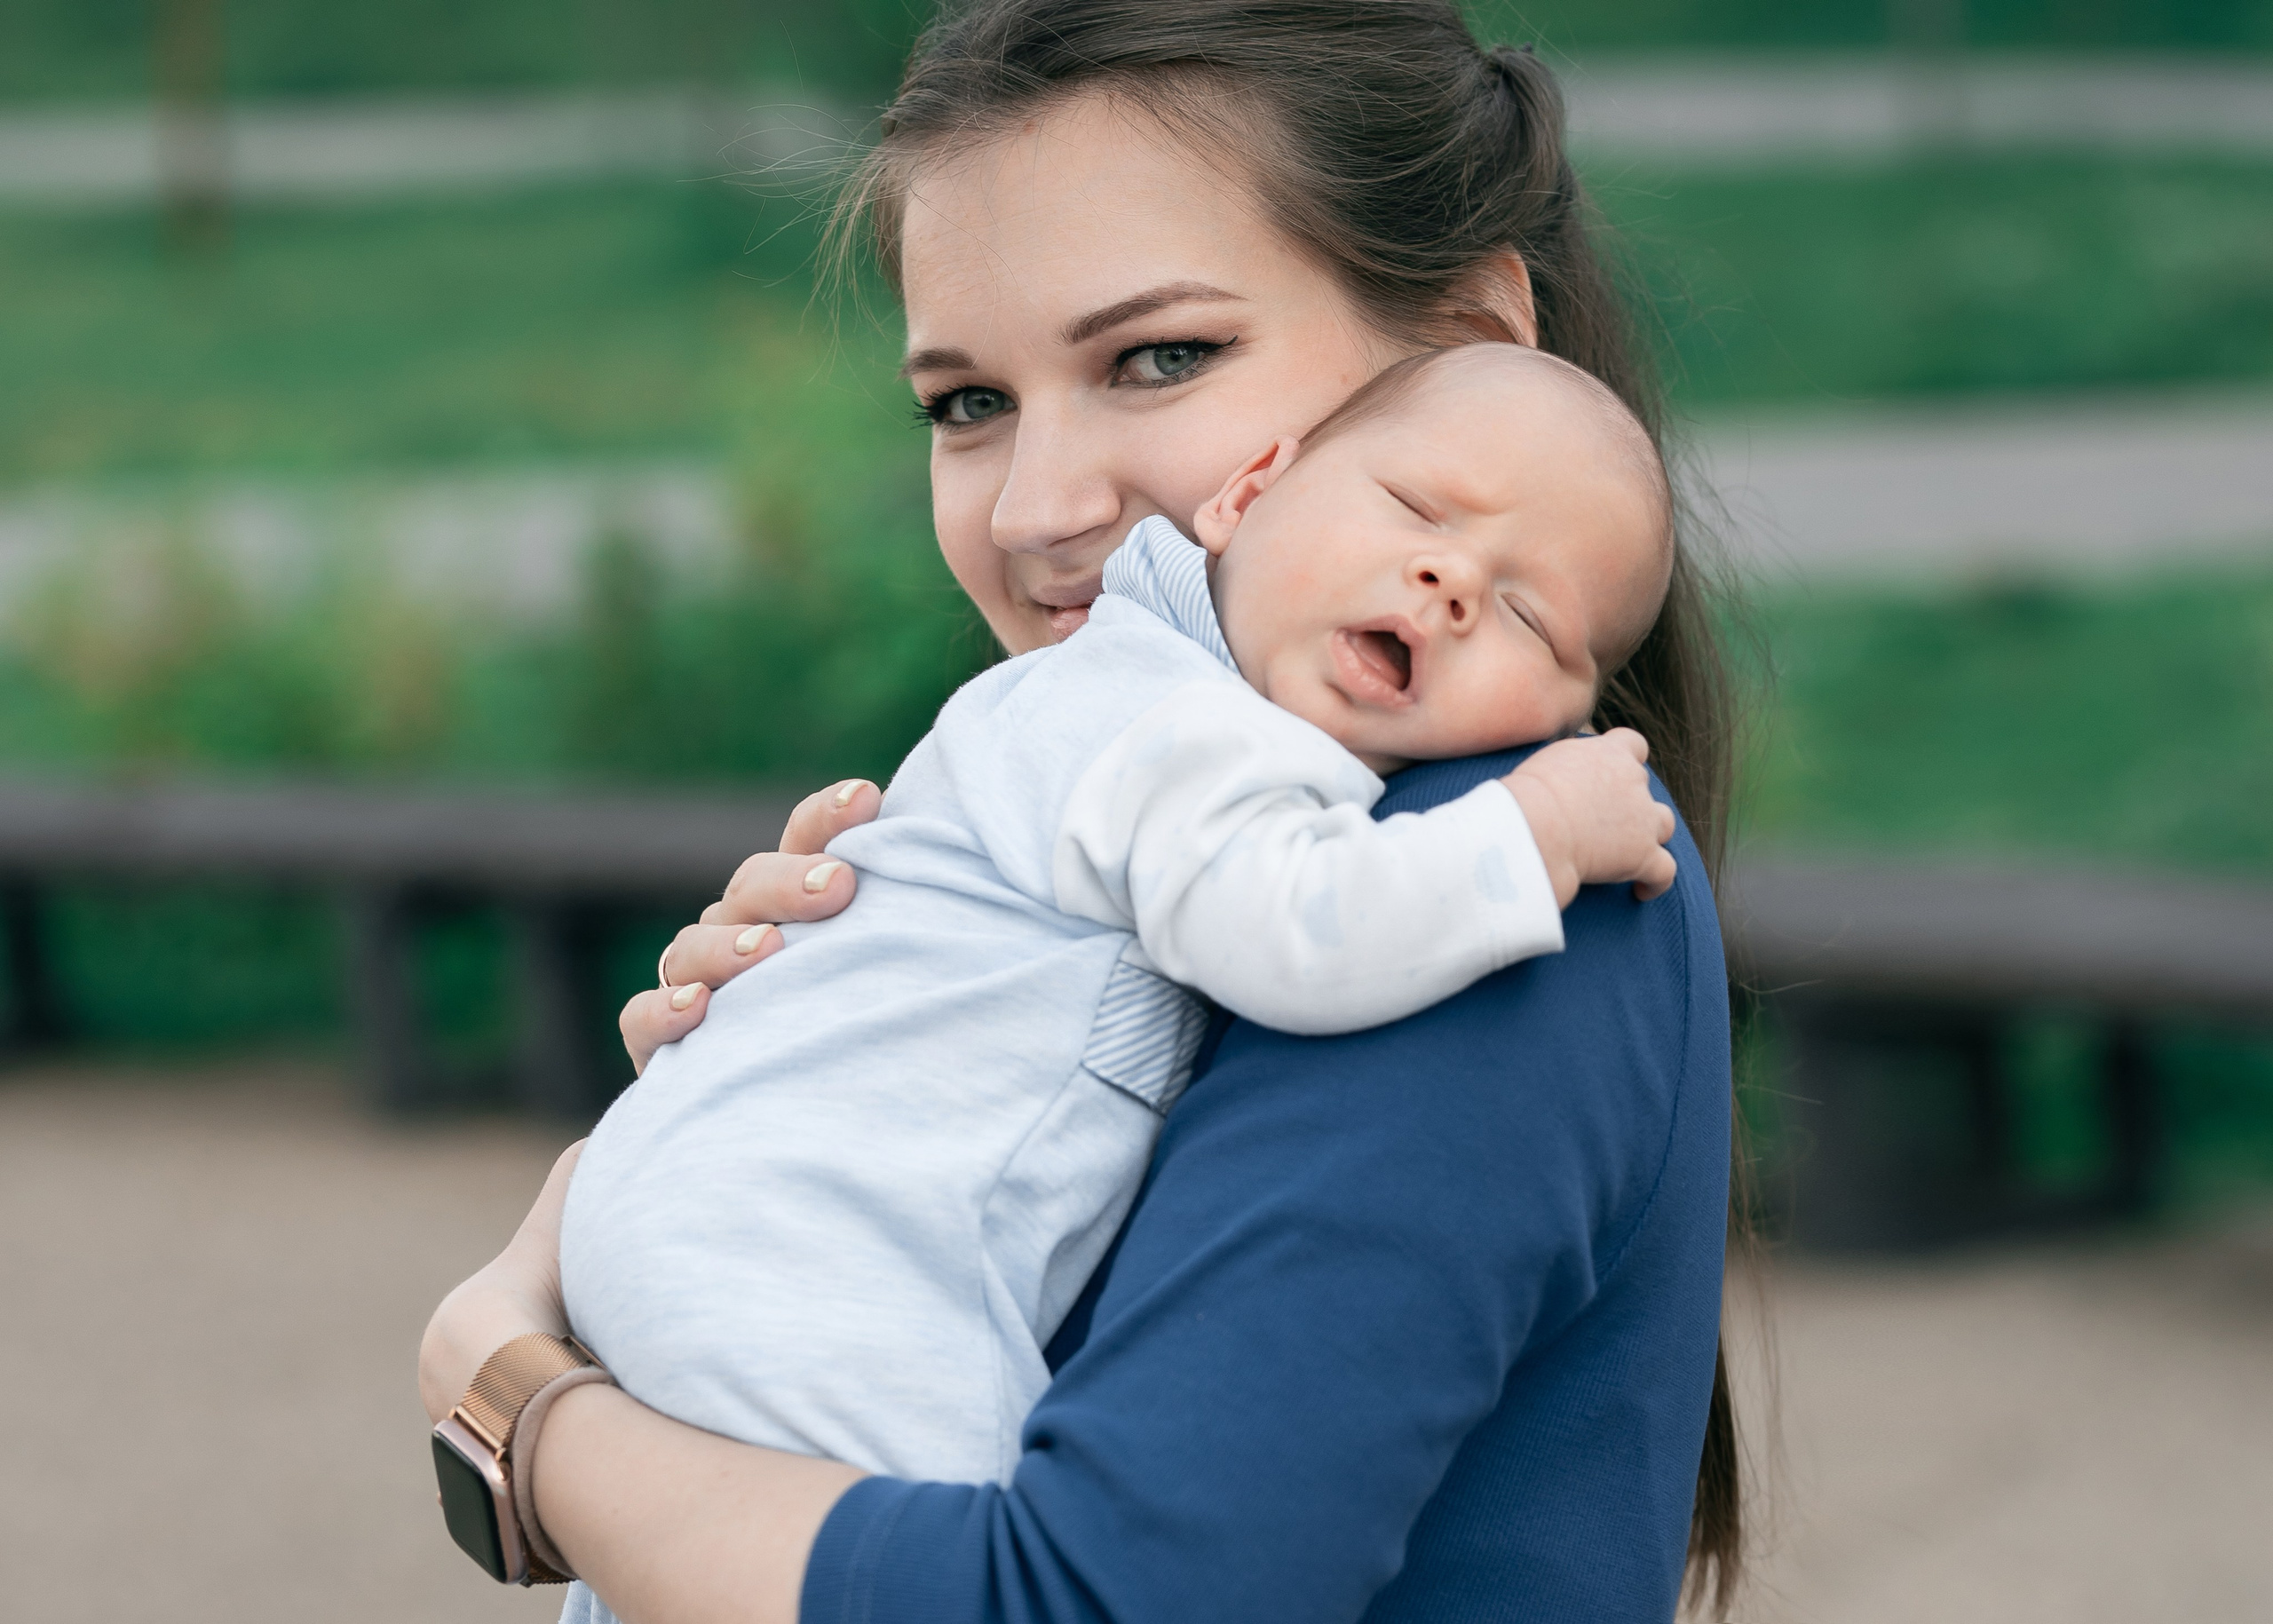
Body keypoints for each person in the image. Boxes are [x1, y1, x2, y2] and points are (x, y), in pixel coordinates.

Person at [420, 3, 1746, 1620]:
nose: (1043, 506)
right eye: (965, 403)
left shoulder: (1477, 885)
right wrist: (821, 1130)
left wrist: (516, 1399)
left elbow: (1098, 1601)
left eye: (1160, 357)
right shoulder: (1197, 804)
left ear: (1470, 346)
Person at [559, 344, 1683, 1560]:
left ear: (1566, 716)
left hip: (723, 1221)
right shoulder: (1178, 719)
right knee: (958, 1557)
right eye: (1414, 508)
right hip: (826, 1256)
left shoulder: (1127, 693)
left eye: (1527, 611)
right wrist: (1535, 831)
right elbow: (1295, 927)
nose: (1450, 578)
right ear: (1249, 494)